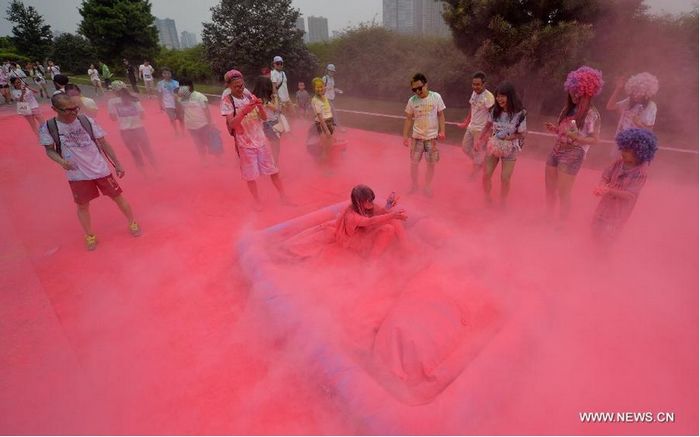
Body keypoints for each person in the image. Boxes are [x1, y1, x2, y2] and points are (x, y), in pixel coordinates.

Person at [39, 93, 141, 251]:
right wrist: (61, 161)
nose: (73, 113)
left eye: (75, 108)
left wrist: (117, 164)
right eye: (67, 110)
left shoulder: (86, 121)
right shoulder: (49, 127)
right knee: (82, 206)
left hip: (100, 169)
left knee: (118, 197)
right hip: (77, 174)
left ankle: (132, 221)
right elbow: (49, 150)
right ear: (54, 109)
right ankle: (90, 234)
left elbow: (104, 143)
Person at [220, 69, 289, 209]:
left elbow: (263, 118)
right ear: (229, 86)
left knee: (273, 170)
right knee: (251, 176)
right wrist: (245, 111)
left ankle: (283, 196)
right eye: (236, 86)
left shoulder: (248, 95)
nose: (240, 88)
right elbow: (232, 123)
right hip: (245, 144)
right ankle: (257, 202)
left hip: (261, 140)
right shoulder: (227, 101)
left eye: (242, 85)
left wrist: (259, 106)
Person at [544, 66, 603, 221]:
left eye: (578, 91)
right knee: (550, 188)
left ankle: (561, 223)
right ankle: (548, 217)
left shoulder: (591, 114)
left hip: (573, 153)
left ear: (587, 92)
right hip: (556, 149)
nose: (574, 94)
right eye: (572, 90)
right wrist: (556, 129)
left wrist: (576, 138)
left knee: (564, 192)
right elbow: (565, 132)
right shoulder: (567, 109)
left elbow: (595, 140)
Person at [592, 128, 657, 243]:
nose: (623, 152)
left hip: (618, 213)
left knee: (607, 238)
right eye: (623, 149)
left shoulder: (640, 173)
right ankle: (590, 253)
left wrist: (608, 190)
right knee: (595, 230)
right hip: (604, 207)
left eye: (627, 151)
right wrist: (601, 186)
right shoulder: (618, 163)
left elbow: (630, 195)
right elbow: (606, 176)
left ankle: (602, 257)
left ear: (639, 152)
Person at [477, 82, 527, 205]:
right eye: (498, 96)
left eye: (503, 96)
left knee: (505, 178)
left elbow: (523, 134)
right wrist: (480, 139)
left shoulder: (520, 114)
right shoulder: (494, 111)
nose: (499, 99)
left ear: (510, 97)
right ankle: (487, 197)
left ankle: (503, 201)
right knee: (486, 174)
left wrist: (510, 138)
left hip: (511, 148)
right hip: (494, 145)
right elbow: (488, 125)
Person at [402, 73, 446, 197]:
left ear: (426, 85)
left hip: (432, 138)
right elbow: (408, 118)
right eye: (414, 89)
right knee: (414, 163)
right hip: (417, 138)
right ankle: (414, 185)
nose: (417, 91)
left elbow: (441, 115)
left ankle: (427, 186)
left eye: (419, 88)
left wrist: (442, 131)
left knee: (431, 164)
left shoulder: (436, 97)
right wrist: (405, 136)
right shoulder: (412, 100)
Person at [335, 185, 408, 258]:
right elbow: (370, 221)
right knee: (388, 228)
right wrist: (392, 215)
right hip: (357, 243)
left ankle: (405, 247)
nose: (371, 203)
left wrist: (388, 206)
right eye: (369, 201)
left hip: (365, 232)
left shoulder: (364, 207)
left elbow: (376, 215)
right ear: (360, 202)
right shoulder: (352, 216)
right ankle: (372, 260)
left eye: (371, 200)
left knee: (393, 220)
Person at [107, 81, 157, 175]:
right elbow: (142, 114)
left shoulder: (112, 102)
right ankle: (158, 171)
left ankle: (145, 175)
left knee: (135, 153)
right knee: (148, 151)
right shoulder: (134, 99)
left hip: (125, 131)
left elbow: (113, 118)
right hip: (139, 128)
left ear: (114, 91)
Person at [605, 72, 658, 156]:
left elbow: (650, 131)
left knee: (629, 166)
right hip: (621, 141)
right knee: (617, 165)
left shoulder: (651, 106)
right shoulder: (629, 101)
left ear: (646, 93)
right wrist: (618, 89)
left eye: (639, 92)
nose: (635, 95)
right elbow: (610, 106)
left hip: (636, 144)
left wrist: (639, 124)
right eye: (634, 91)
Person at [458, 71, 495, 178]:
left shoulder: (488, 97)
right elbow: (472, 107)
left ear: (484, 84)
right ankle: (481, 163)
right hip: (471, 127)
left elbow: (493, 115)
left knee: (477, 151)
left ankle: (474, 174)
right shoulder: (474, 93)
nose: (475, 87)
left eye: (478, 84)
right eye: (473, 84)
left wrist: (488, 131)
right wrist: (466, 121)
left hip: (481, 129)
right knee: (465, 148)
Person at [178, 78, 221, 163]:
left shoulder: (200, 97)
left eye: (184, 86)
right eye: (180, 86)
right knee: (198, 144)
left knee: (209, 142)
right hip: (191, 126)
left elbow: (207, 111)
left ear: (190, 87)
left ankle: (218, 158)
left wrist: (210, 123)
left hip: (203, 125)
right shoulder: (181, 99)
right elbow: (181, 110)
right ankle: (203, 160)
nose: (181, 88)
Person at [252, 75, 282, 165]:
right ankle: (274, 165)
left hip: (262, 124)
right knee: (275, 145)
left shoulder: (255, 98)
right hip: (270, 124)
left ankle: (266, 164)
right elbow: (276, 108)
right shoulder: (264, 100)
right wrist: (276, 97)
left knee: (265, 146)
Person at [309, 77, 336, 171]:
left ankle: (324, 166)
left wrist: (332, 126)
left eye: (321, 87)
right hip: (323, 125)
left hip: (329, 123)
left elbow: (328, 112)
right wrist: (327, 130)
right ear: (314, 89)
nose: (320, 89)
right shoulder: (315, 100)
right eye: (317, 87)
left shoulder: (324, 97)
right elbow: (320, 117)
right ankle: (324, 169)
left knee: (329, 148)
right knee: (325, 149)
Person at [157, 68, 182, 134]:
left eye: (168, 73)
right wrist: (160, 104)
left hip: (177, 103)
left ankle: (183, 130)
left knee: (180, 118)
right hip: (168, 104)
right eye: (165, 73)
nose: (166, 75)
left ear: (171, 74)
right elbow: (159, 94)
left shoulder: (176, 82)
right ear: (162, 74)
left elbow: (179, 93)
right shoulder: (160, 84)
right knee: (172, 118)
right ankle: (176, 131)